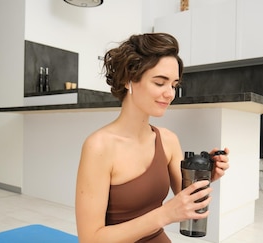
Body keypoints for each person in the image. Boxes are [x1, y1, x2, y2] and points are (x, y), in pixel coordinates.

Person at [74, 32, 230, 243]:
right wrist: (164, 214)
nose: (170, 93)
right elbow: (90, 239)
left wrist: (204, 174)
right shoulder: (99, 147)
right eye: (159, 83)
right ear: (129, 80)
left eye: (174, 85)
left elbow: (184, 196)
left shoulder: (168, 140)